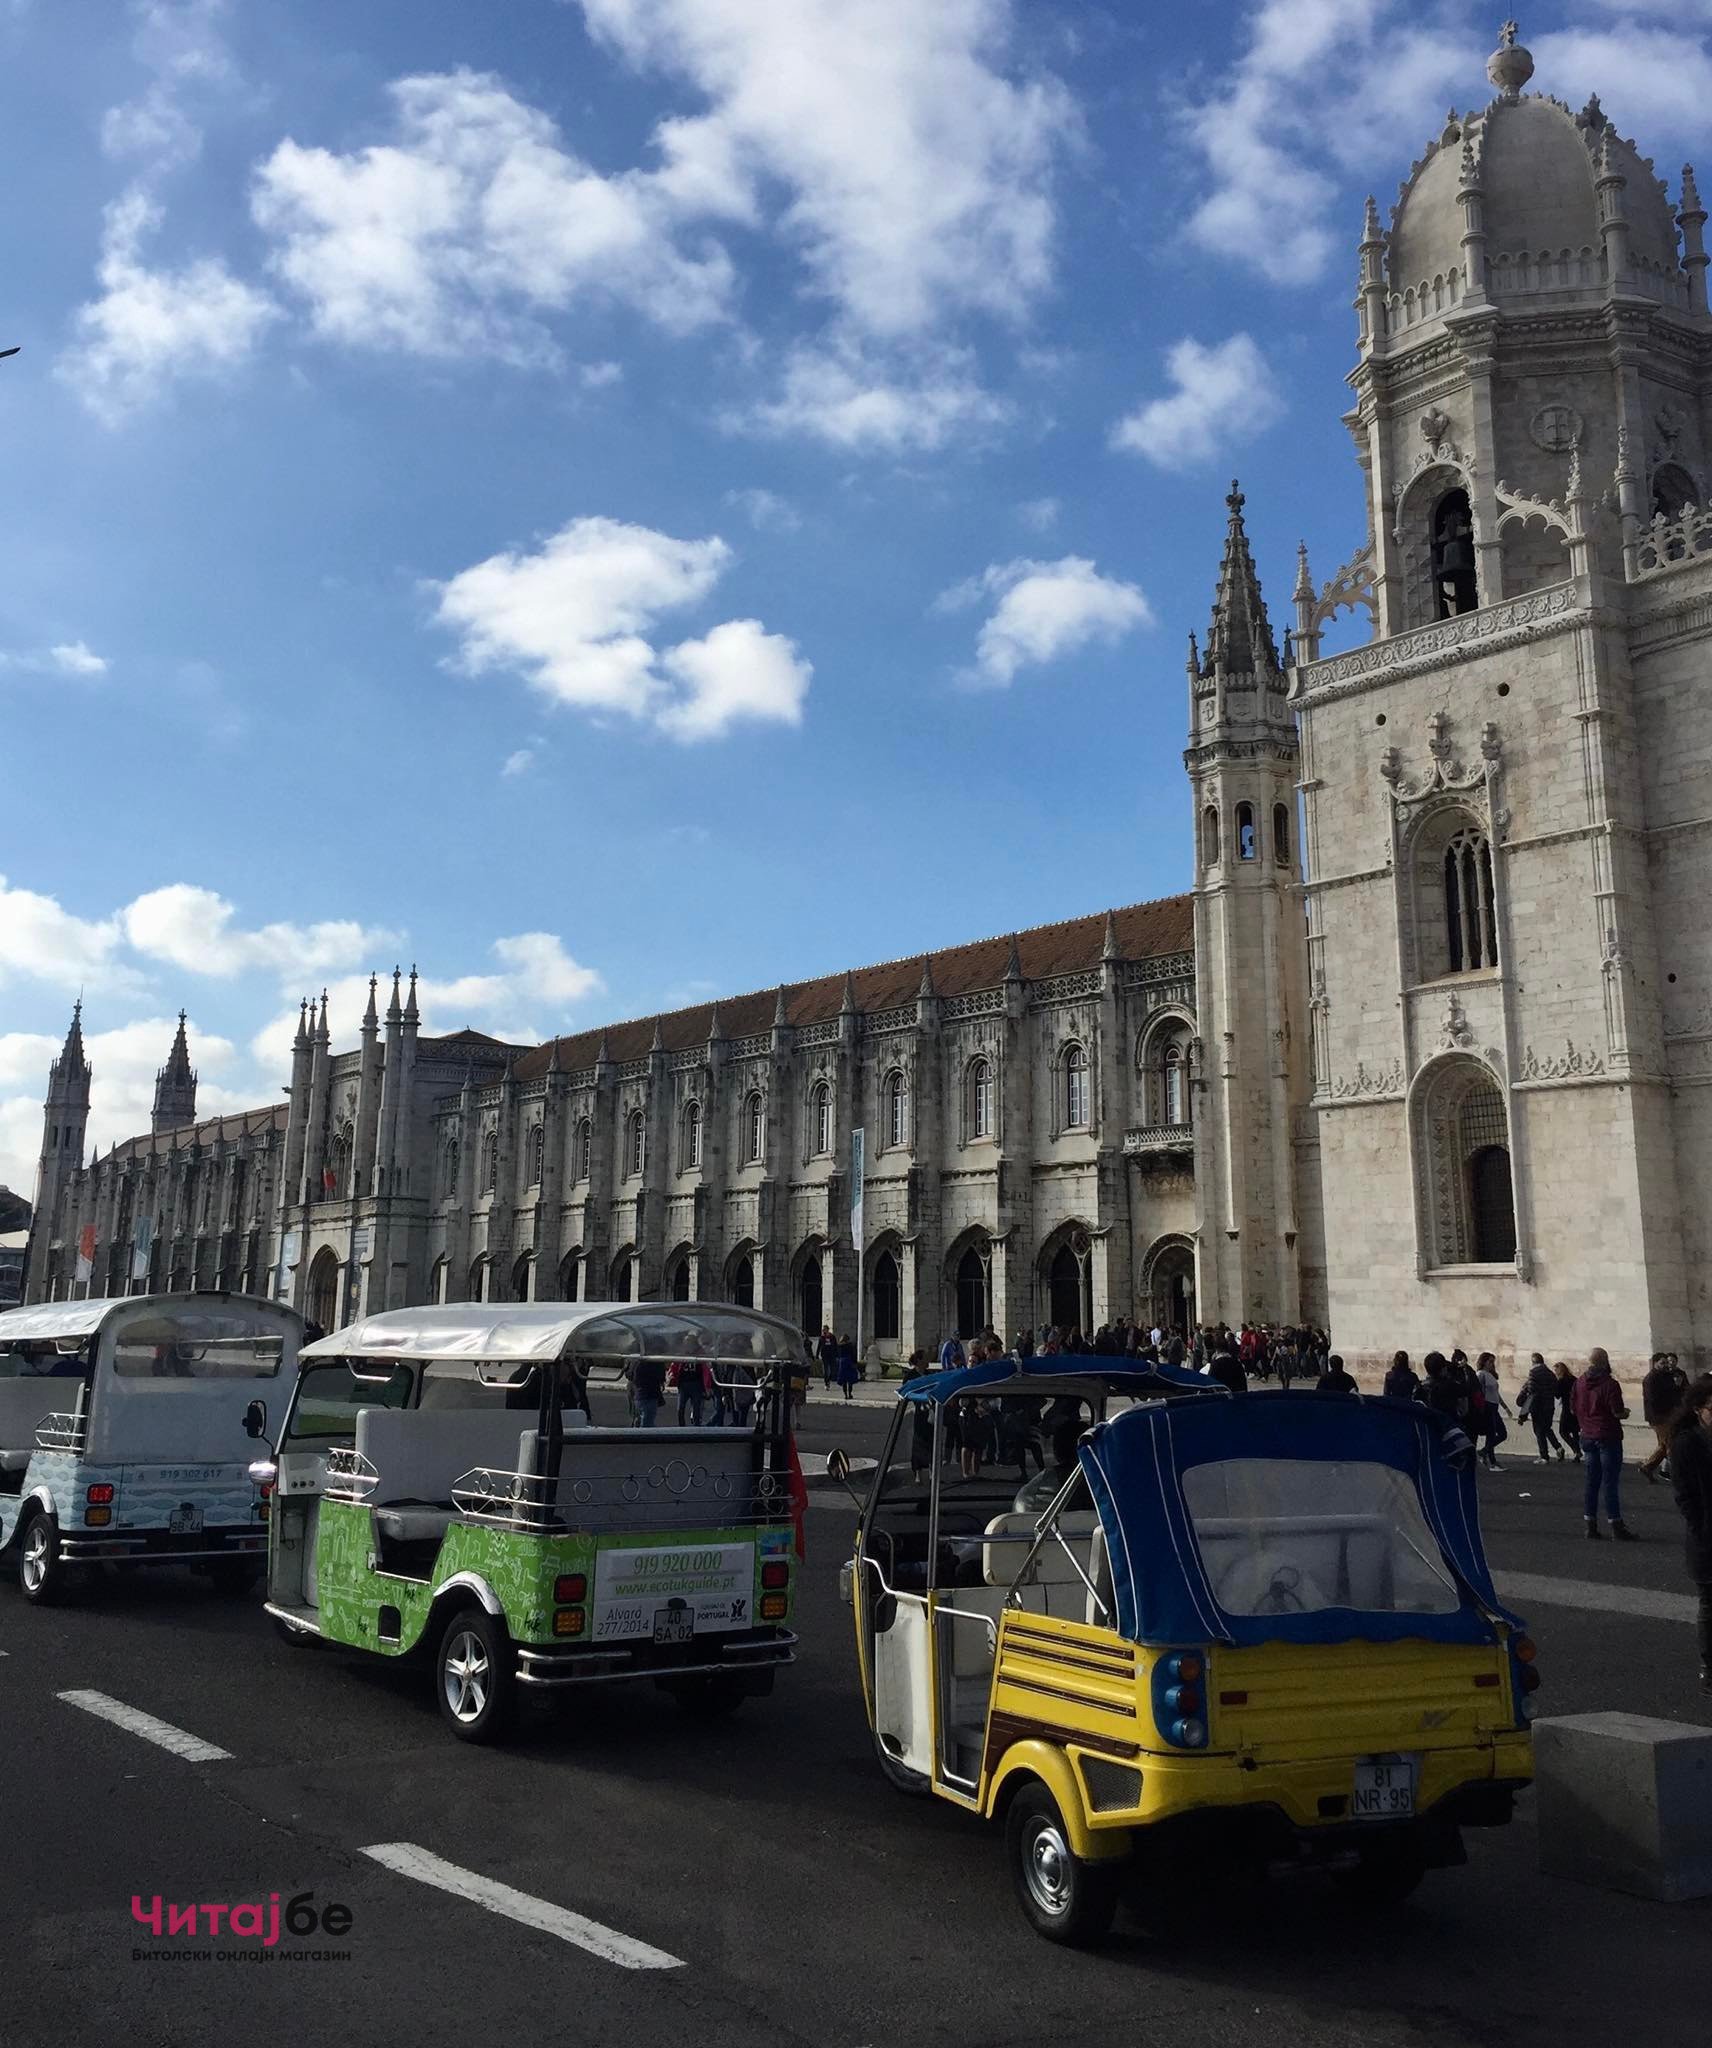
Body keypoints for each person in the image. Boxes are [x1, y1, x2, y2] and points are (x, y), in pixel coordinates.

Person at [1666, 1373, 1712, 1692]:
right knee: (1710, 1605)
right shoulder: (1686, 1443)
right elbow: (1685, 1496)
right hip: (1707, 1540)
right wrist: (1702, 1529)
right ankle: (1710, 1666)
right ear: (1699, 1409)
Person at [1573, 1346, 1635, 1540]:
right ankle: (1616, 1525)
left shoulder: (1579, 1382)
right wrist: (1625, 1413)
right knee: (1610, 1483)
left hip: (1588, 1435)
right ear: (1605, 1361)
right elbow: (1617, 1412)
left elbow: (1573, 1409)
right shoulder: (1610, 1384)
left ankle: (1590, 1525)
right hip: (1607, 1436)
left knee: (1592, 1481)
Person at [1641, 1352, 1689, 1483]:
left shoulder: (1666, 1375)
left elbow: (1677, 1392)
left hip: (1668, 1415)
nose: (1665, 1365)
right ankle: (1676, 1473)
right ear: (1655, 1363)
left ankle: (1648, 1467)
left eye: (1666, 1363)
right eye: (1662, 1363)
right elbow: (1654, 1399)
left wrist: (1677, 1387)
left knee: (1664, 1444)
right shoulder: (1650, 1379)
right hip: (1658, 1417)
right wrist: (1673, 1389)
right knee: (1670, 1444)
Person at [1520, 1353, 1565, 1462]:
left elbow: (1531, 1392)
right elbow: (1556, 1389)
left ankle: (1544, 1456)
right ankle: (1558, 1447)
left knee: (1539, 1431)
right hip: (1549, 1405)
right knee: (1547, 1428)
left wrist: (1524, 1412)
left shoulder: (1533, 1373)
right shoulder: (1550, 1373)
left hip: (1538, 1406)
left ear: (1533, 1362)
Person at [1475, 1352, 1509, 1469]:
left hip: (1494, 1406)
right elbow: (1479, 1392)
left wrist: (1505, 1407)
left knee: (1502, 1433)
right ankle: (1492, 1461)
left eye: (1493, 1362)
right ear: (1483, 1362)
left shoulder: (1491, 1375)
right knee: (1491, 1433)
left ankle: (1484, 1452)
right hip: (1487, 1406)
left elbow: (1496, 1393)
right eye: (1490, 1362)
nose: (1491, 1364)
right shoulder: (1481, 1374)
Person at [1553, 1360, 1582, 1461]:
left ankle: (1576, 1450)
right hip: (1577, 1408)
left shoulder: (1561, 1381)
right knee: (1575, 1431)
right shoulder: (1574, 1379)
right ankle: (1577, 1452)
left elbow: (1557, 1395)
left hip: (1567, 1408)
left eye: (1556, 1371)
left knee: (1563, 1431)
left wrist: (1555, 1385)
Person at [672, 1355, 709, 1427]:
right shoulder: (682, 1353)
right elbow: (675, 1365)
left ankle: (696, 1425)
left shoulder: (699, 1354)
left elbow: (704, 1369)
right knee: (680, 1407)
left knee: (696, 1408)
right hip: (684, 1384)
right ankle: (682, 1426)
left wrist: (706, 1386)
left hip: (696, 1383)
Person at [632, 1354, 666, 1428]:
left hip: (640, 1395)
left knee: (639, 1420)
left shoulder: (638, 1361)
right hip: (650, 1395)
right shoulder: (655, 1362)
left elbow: (632, 1376)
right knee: (647, 1423)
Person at [834, 1337, 860, 1403]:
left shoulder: (839, 1346)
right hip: (849, 1362)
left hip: (842, 1362)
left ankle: (845, 1394)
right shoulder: (850, 1346)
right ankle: (850, 1393)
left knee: (844, 1380)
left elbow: (837, 1355)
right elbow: (853, 1354)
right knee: (850, 1379)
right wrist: (855, 1363)